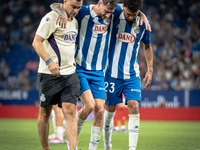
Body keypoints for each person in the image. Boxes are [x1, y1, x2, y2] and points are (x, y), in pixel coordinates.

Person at [50, 1, 151, 149]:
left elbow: (127, 8)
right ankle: (72, 143)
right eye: (107, 11)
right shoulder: (84, 12)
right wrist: (61, 13)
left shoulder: (114, 11)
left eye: (112, 12)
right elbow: (56, 5)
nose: (109, 15)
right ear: (100, 3)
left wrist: (141, 15)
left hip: (99, 72)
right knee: (89, 105)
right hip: (80, 68)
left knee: (100, 110)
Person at [103, 0, 153, 149]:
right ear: (123, 7)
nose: (131, 17)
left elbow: (148, 46)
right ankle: (107, 145)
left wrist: (150, 69)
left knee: (134, 107)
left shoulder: (144, 24)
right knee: (110, 110)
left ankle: (132, 148)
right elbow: (107, 5)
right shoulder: (115, 14)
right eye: (129, 14)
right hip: (111, 73)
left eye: (135, 14)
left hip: (132, 74)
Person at [32, 0, 82, 149]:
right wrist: (49, 61)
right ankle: (45, 148)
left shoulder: (76, 21)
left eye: (78, 8)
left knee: (71, 112)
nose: (75, 11)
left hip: (70, 74)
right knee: (45, 113)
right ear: (65, 2)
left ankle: (73, 148)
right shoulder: (50, 18)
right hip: (49, 74)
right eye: (73, 6)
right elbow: (36, 42)